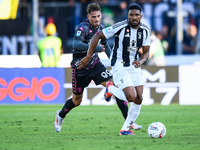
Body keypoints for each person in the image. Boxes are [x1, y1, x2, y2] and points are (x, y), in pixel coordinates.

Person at [54, 3, 142, 133]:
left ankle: (129, 122)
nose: (97, 19)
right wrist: (94, 48)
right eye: (93, 17)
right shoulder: (83, 28)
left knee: (116, 86)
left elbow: (105, 46)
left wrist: (115, 61)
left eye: (98, 16)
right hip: (80, 67)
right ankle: (60, 116)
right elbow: (76, 44)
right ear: (88, 16)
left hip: (96, 65)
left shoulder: (101, 27)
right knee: (77, 100)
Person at [77, 4, 150, 135]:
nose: (134, 17)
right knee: (131, 97)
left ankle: (125, 129)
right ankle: (110, 88)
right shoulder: (120, 26)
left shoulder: (145, 30)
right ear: (127, 16)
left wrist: (141, 60)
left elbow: (146, 52)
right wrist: (88, 56)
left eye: (136, 15)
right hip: (119, 64)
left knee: (139, 98)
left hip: (134, 65)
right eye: (131, 15)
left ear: (141, 16)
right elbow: (98, 35)